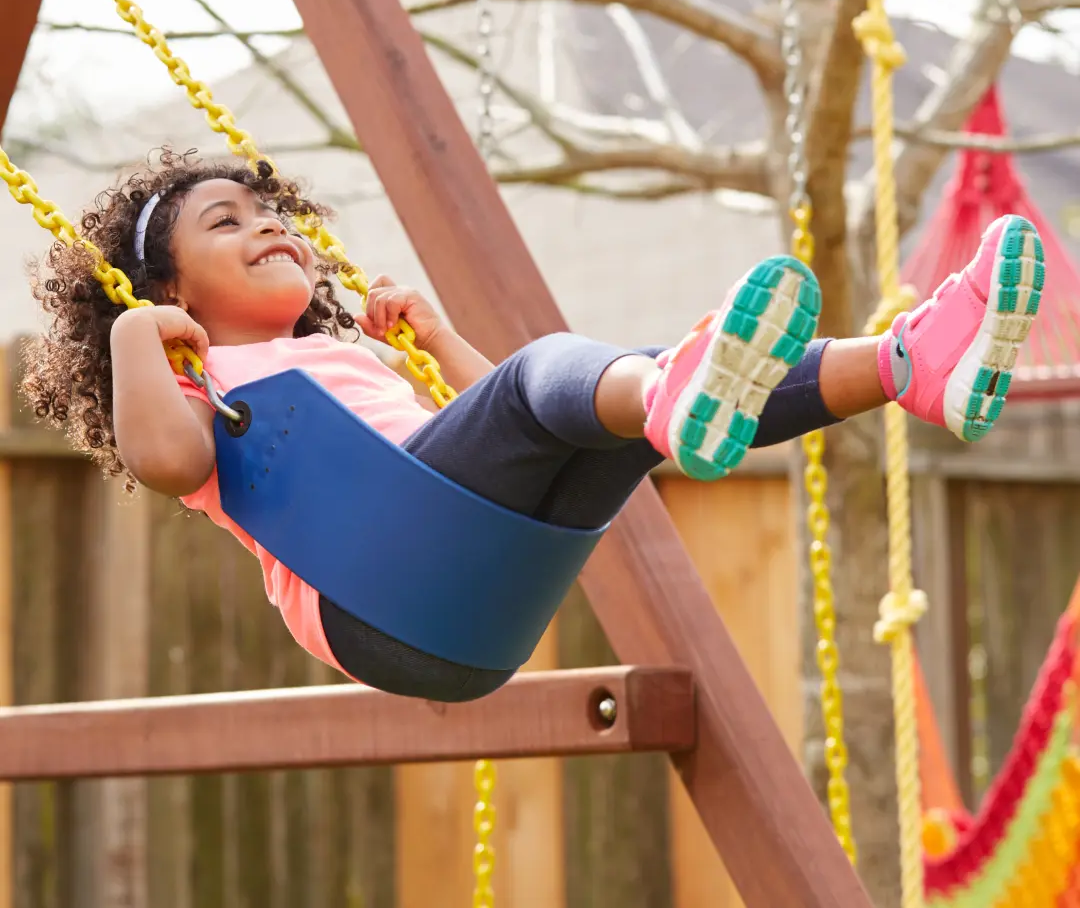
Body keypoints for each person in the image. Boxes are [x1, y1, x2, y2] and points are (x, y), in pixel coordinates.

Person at [22, 150, 1044, 701]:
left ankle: (913, 366)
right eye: (228, 223)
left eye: (271, 212)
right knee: (572, 370)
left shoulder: (356, 362)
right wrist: (137, 339)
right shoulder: (215, 386)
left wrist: (440, 334)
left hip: (468, 600)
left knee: (607, 408)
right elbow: (163, 462)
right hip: (376, 596)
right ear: (162, 286)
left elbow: (496, 422)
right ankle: (670, 394)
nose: (270, 227)